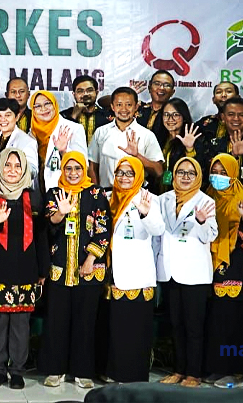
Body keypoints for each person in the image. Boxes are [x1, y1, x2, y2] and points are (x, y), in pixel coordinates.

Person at [0, 150, 49, 389]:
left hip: (26, 268)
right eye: (7, 165)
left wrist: (43, 270)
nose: (12, 170)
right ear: (0, 167)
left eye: (18, 166)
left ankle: (17, 371)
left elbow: (41, 235)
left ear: (24, 169)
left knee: (20, 323)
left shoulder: (34, 198)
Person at [39, 151, 110, 389]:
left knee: (85, 322)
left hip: (87, 269)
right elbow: (49, 225)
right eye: (68, 169)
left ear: (84, 170)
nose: (72, 173)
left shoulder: (96, 194)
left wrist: (91, 259)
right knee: (56, 321)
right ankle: (55, 370)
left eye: (77, 168)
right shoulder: (54, 193)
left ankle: (83, 371)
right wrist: (61, 212)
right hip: (60, 270)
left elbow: (103, 228)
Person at [155, 158, 218, 388]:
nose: (185, 177)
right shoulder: (163, 199)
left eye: (191, 173)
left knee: (193, 327)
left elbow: (210, 235)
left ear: (198, 176)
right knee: (176, 324)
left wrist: (201, 221)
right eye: (181, 172)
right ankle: (179, 370)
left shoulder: (206, 201)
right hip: (170, 270)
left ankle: (194, 374)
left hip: (194, 273)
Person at [105, 156, 163, 383]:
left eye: (130, 173)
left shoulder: (148, 199)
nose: (124, 178)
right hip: (113, 271)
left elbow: (158, 229)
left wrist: (145, 213)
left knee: (136, 329)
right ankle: (116, 373)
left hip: (137, 273)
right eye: (120, 173)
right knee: (117, 327)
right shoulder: (109, 198)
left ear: (139, 175)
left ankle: (135, 376)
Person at [204, 154, 243, 388]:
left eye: (223, 172)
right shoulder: (207, 197)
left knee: (235, 321)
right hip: (214, 265)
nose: (218, 176)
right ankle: (219, 368)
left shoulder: (241, 198)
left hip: (237, 268)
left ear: (234, 174)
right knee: (218, 321)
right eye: (214, 171)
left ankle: (237, 373)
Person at [88, 87, 164, 187]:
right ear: (112, 107)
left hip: (136, 194)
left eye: (129, 105)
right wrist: (97, 193)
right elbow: (93, 167)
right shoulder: (101, 132)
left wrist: (137, 156)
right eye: (119, 105)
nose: (124, 109)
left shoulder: (146, 135)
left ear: (136, 107)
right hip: (107, 193)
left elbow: (159, 171)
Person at [28, 91, 87, 190]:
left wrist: (63, 151)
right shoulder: (31, 133)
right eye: (37, 106)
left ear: (54, 104)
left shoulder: (73, 128)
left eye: (47, 103)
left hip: (64, 188)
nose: (43, 109)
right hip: (37, 189)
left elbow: (83, 164)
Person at [150, 98, 201, 194]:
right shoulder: (157, 138)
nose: (170, 119)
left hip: (180, 192)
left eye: (176, 115)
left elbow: (198, 169)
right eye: (166, 115)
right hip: (156, 192)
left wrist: (189, 148)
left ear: (184, 117)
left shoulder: (193, 138)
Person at [0, 98, 39, 177]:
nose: (3, 119)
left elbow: (33, 170)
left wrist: (15, 168)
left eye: (8, 115)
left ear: (17, 117)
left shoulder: (27, 141)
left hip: (17, 183)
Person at [64, 75, 112, 142]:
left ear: (96, 93)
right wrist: (74, 116)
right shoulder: (63, 115)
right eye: (80, 91)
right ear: (74, 95)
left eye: (89, 90)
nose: (85, 94)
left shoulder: (107, 116)